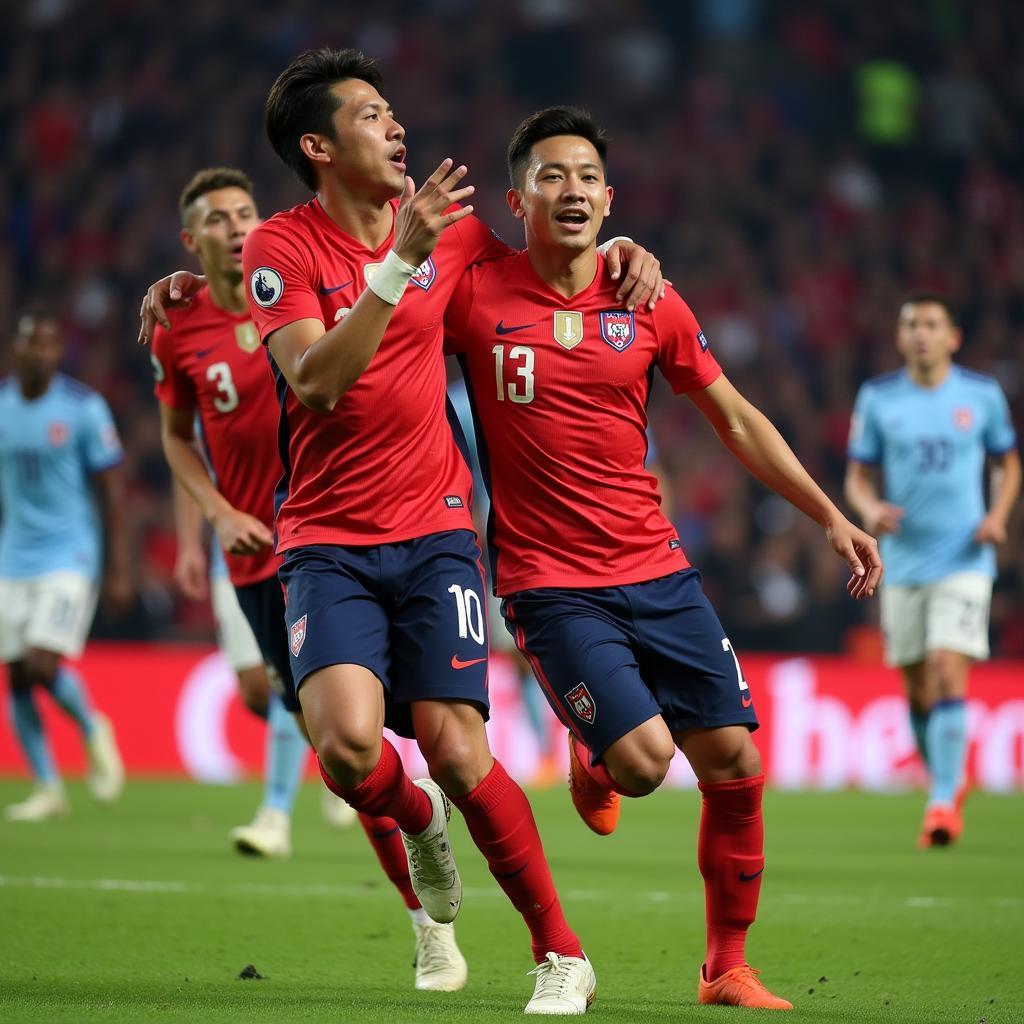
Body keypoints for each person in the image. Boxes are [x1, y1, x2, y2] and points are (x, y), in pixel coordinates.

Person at [138, 49, 662, 1015]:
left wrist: (627, 255)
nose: (396, 128)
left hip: (436, 533)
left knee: (461, 752)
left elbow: (552, 274)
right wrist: (397, 261)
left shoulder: (453, 234)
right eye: (371, 116)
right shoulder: (284, 253)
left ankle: (561, 953)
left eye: (392, 111)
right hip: (328, 537)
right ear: (319, 147)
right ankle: (416, 821)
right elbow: (319, 383)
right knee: (344, 751)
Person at [442, 106, 883, 1011]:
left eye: (588, 177)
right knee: (643, 766)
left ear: (611, 197)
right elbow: (369, 236)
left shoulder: (646, 299)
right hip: (548, 580)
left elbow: (735, 418)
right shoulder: (472, 289)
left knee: (734, 761)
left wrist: (829, 516)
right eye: (552, 175)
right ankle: (596, 752)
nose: (572, 190)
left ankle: (725, 968)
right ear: (518, 195)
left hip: (657, 568)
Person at [151, 167, 467, 991]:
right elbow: (176, 437)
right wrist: (217, 513)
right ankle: (423, 922)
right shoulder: (177, 322)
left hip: (356, 533)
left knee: (412, 731)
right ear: (192, 241)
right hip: (265, 559)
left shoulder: (296, 288)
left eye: (243, 213)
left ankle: (415, 864)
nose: (231, 227)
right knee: (346, 755)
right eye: (213, 219)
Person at [845, 291, 1019, 848]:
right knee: (918, 689)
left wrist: (996, 516)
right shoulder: (879, 399)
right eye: (912, 324)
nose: (921, 333)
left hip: (966, 558)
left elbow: (1008, 464)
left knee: (948, 668)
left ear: (952, 337)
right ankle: (947, 780)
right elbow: (858, 477)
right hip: (904, 563)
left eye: (931, 324)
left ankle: (943, 800)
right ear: (900, 338)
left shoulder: (982, 396)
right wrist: (870, 510)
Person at [171, 476, 358, 833]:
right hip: (234, 553)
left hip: (300, 545)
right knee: (257, 691)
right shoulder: (204, 417)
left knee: (292, 679)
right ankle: (333, 749)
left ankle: (275, 811)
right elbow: (187, 460)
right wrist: (190, 544)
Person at [0, 312, 129, 821]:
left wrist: (119, 565)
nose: (41, 353)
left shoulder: (83, 409)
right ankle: (48, 787)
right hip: (14, 553)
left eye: (50, 344)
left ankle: (94, 727)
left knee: (40, 663)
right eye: (32, 344)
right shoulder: (3, 407)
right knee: (14, 676)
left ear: (59, 353)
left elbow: (112, 491)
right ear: (17, 349)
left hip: (69, 552)